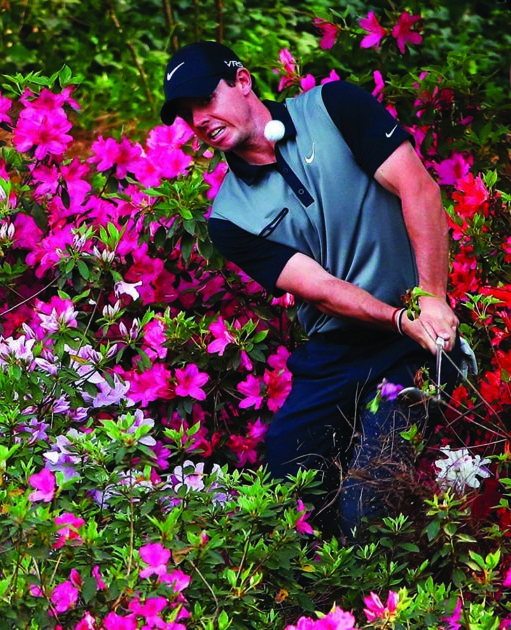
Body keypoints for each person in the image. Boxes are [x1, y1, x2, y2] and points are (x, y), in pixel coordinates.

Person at [160, 41, 463, 538]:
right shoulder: (228, 217)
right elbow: (319, 289)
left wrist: (430, 295)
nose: (198, 120)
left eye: (204, 100)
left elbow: (419, 188)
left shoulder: (335, 106)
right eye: (185, 114)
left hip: (418, 338)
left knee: (370, 499)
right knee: (286, 485)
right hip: (337, 347)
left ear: (242, 81)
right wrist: (394, 318)